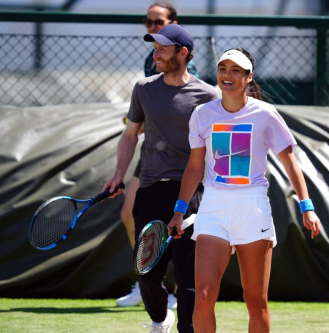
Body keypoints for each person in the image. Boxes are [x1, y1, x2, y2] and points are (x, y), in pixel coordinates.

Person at [168, 48, 322, 332]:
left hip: (252, 207)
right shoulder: (202, 115)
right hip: (213, 207)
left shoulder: (265, 114)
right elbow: (194, 167)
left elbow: (291, 164)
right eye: (223, 68)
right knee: (202, 297)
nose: (227, 75)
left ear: (249, 77)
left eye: (236, 70)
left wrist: (307, 206)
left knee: (255, 301)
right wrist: (179, 210)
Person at [104, 24, 218, 333]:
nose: (156, 54)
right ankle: (159, 319)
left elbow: (217, 148)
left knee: (188, 276)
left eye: (163, 49)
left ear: (183, 53)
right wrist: (118, 174)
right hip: (151, 190)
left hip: (192, 195)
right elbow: (131, 136)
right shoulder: (143, 88)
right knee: (147, 273)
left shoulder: (208, 96)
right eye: (155, 48)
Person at [116, 1, 199, 309]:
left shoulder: (196, 82)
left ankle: (176, 291)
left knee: (184, 244)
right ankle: (148, 281)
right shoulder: (150, 66)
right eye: (148, 22)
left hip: (186, 166)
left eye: (159, 22)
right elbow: (135, 125)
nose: (153, 27)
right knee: (129, 214)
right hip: (153, 157)